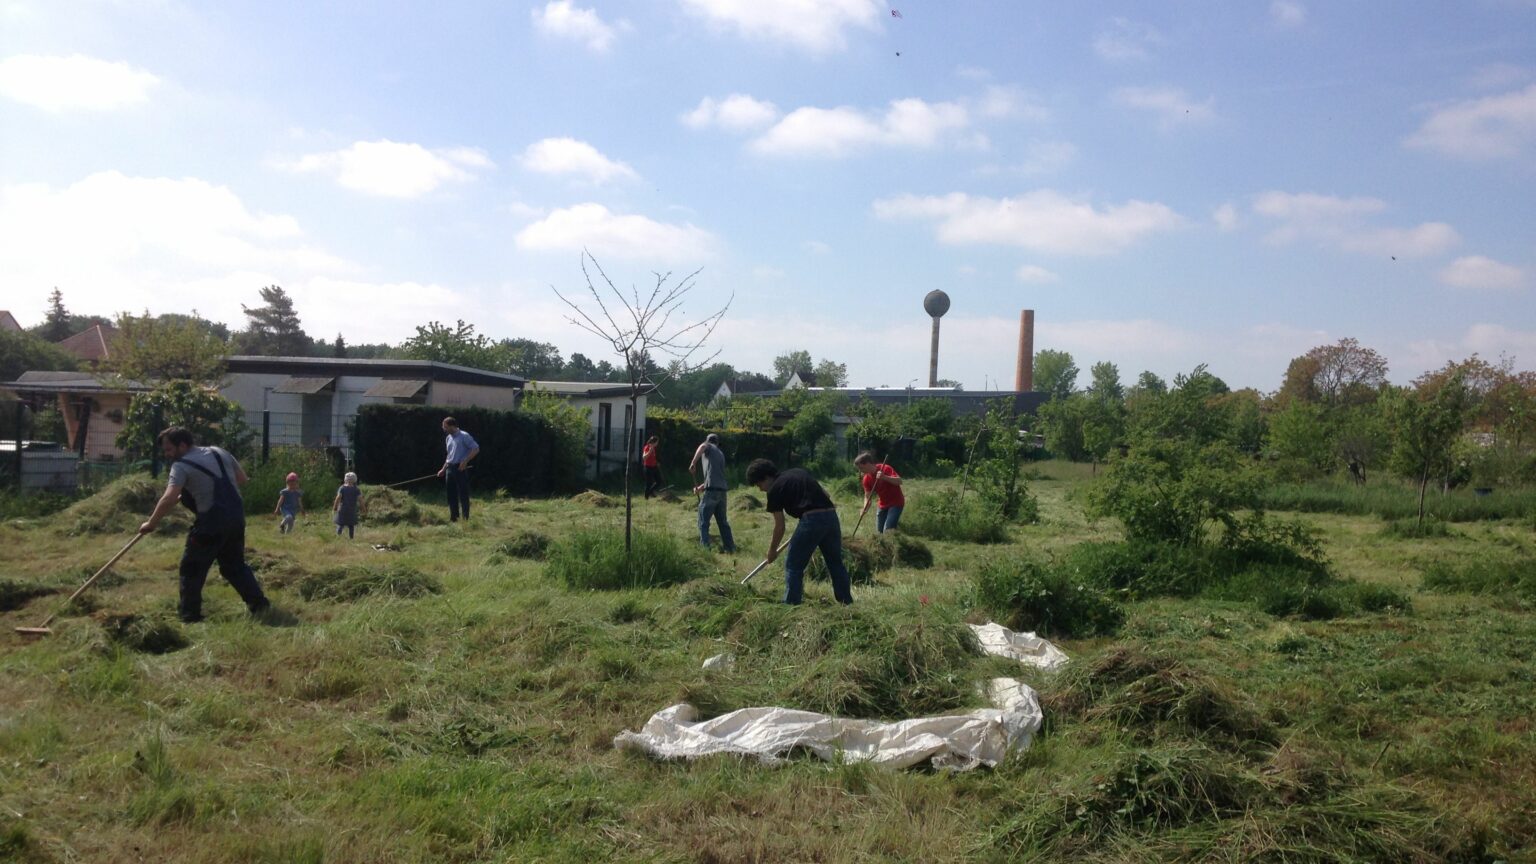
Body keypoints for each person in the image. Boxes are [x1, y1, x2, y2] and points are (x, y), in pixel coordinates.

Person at [139, 427, 272, 623]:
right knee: (234, 567)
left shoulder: (181, 466)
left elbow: (169, 497)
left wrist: (151, 523)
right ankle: (260, 606)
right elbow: (242, 479)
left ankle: (190, 617)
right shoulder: (219, 452)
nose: (167, 455)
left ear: (182, 445)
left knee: (191, 568)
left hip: (210, 524)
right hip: (236, 519)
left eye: (169, 449)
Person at [746, 458, 852, 606]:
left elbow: (779, 526)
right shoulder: (798, 472)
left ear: (766, 477)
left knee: (793, 565)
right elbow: (826, 495)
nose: (761, 489)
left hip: (811, 520)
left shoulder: (774, 490)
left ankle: (791, 604)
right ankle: (846, 602)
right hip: (831, 516)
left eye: (759, 484)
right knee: (835, 563)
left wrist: (772, 551)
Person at [688, 432, 735, 553]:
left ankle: (705, 549)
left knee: (703, 521)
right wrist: (700, 488)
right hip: (722, 492)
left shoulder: (707, 447)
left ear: (708, 441)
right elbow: (713, 476)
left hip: (712, 492)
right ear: (717, 443)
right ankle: (730, 548)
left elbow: (702, 446)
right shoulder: (720, 454)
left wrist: (693, 462)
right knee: (722, 522)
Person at [436, 416, 479, 522]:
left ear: (452, 426)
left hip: (460, 468)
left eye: (445, 427)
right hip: (449, 469)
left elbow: (476, 448)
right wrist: (443, 469)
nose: (444, 429)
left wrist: (465, 461)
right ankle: (454, 518)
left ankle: (465, 519)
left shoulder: (464, 436)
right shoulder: (448, 438)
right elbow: (449, 455)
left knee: (463, 494)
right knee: (451, 494)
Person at [854, 452, 906, 533]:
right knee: (879, 532)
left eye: (861, 468)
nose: (860, 471)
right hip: (882, 505)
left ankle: (892, 542)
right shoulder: (866, 479)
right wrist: (865, 508)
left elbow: (899, 481)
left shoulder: (885, 468)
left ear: (867, 464)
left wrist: (884, 477)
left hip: (896, 503)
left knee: (887, 530)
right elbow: (867, 497)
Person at [333, 471, 364, 538]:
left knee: (341, 523)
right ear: (355, 480)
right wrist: (363, 508)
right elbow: (360, 500)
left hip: (343, 509)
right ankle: (351, 538)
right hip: (352, 510)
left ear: (345, 479)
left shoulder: (342, 488)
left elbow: (338, 498)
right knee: (351, 525)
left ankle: (338, 536)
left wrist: (335, 506)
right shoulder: (356, 489)